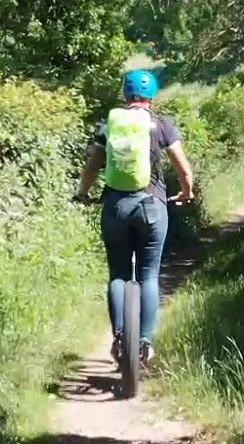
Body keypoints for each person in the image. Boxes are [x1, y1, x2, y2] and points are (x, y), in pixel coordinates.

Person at [76, 67, 197, 368]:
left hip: (116, 206)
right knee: (148, 275)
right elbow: (182, 168)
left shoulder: (110, 125)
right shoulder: (162, 125)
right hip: (153, 206)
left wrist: (82, 193)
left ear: (125, 94)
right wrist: (186, 192)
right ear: (152, 96)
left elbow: (92, 166)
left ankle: (119, 338)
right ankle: (143, 341)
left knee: (118, 274)